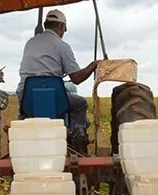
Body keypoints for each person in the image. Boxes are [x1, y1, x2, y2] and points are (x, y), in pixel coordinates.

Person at [16, 9, 98, 137]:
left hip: (27, 98)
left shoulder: (30, 43)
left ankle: (23, 130)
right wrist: (94, 65)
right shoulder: (62, 46)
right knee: (80, 103)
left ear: (45, 25)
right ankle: (78, 136)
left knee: (25, 111)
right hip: (54, 99)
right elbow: (76, 78)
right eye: (64, 29)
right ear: (61, 26)